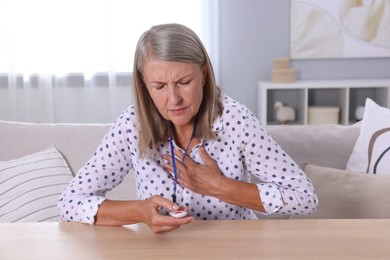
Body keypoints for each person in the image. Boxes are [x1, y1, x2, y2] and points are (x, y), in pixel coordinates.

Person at [58, 23, 318, 234]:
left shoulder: (235, 120)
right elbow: (70, 203)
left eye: (184, 82)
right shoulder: (132, 124)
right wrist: (140, 211)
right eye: (159, 86)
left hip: (235, 250)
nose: (174, 99)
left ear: (203, 75)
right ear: (144, 84)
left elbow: (304, 197)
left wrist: (220, 187)